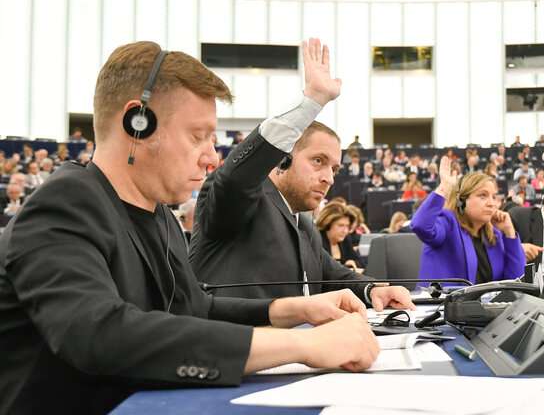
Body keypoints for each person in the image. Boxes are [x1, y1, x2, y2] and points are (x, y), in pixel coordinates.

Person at [0, 41, 381, 414]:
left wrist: (297, 309)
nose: (211, 157)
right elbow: (99, 334)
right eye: (197, 136)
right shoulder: (63, 204)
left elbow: (196, 308)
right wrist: (306, 346)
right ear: (138, 124)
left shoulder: (161, 217)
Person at [189, 38, 411, 310]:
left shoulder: (304, 223)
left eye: (334, 168)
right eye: (319, 161)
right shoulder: (242, 200)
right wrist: (312, 101)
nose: (329, 178)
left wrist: (372, 289)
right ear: (282, 159)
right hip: (235, 348)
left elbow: (330, 272)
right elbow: (236, 177)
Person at [412, 156, 525, 284]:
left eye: (493, 197)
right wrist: (445, 187)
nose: (491, 203)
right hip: (442, 303)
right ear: (462, 201)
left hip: (485, 304)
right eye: (483, 195)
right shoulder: (448, 223)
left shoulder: (495, 236)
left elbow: (517, 279)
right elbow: (419, 225)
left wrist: (510, 232)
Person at [317, 202, 364, 274]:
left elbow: (360, 261)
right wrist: (347, 269)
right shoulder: (317, 239)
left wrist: (353, 262)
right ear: (327, 224)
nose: (345, 231)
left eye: (347, 226)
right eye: (341, 225)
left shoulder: (345, 239)